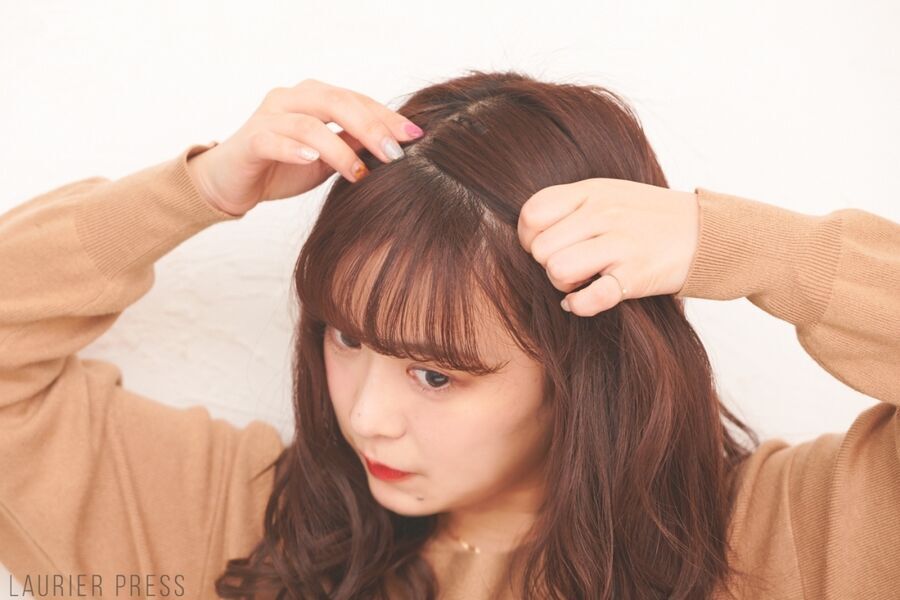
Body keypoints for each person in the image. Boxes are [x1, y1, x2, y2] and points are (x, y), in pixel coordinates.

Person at [0, 70, 897, 599]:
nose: (367, 419)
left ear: (580, 367)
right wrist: (195, 191)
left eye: (436, 376)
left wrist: (753, 248)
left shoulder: (788, 537)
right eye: (345, 340)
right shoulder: (232, 522)